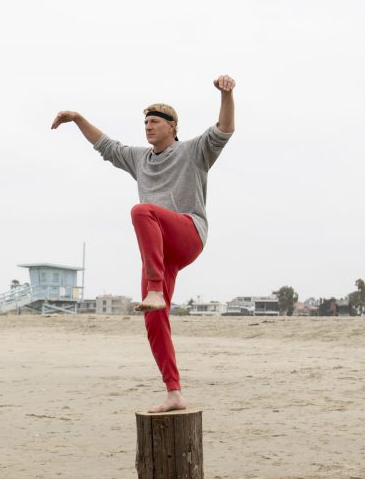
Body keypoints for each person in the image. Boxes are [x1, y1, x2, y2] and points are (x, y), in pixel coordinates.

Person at [51, 75, 236, 413]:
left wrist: (227, 94)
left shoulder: (193, 151)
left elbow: (224, 129)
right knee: (153, 319)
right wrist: (77, 119)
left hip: (188, 233)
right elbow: (106, 146)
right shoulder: (140, 159)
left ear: (172, 127)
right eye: (145, 123)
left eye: (154, 122)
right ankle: (173, 392)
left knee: (141, 211)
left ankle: (154, 290)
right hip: (160, 253)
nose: (148, 128)